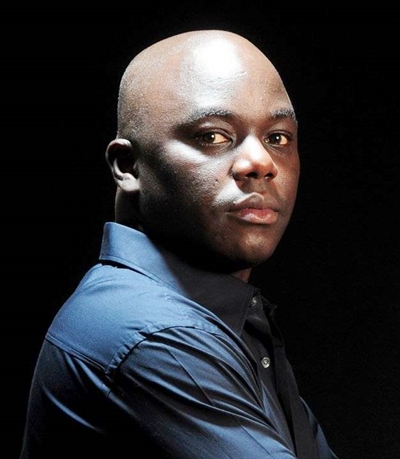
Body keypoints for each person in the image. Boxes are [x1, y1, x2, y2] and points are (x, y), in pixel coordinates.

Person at [20, 29, 338, 458]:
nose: (261, 163)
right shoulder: (155, 336)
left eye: (278, 137)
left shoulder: (217, 317)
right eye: (213, 136)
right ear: (128, 165)